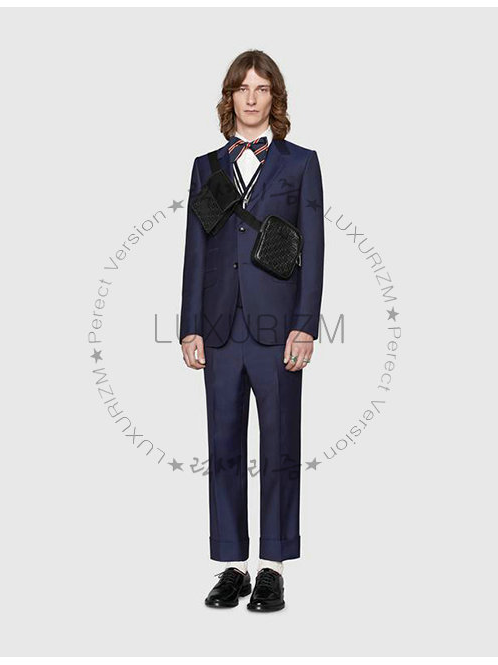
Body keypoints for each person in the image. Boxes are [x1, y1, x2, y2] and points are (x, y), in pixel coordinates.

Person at [179, 50, 325, 612]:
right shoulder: (206, 167)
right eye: (242, 88)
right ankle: (233, 566)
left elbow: (313, 248)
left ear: (274, 98)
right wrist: (190, 326)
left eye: (261, 88)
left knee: (280, 444)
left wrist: (305, 326)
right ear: (230, 97)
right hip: (219, 327)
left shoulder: (300, 164)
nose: (251, 97)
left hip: (277, 326)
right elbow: (196, 249)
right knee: (223, 446)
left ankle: (273, 566)